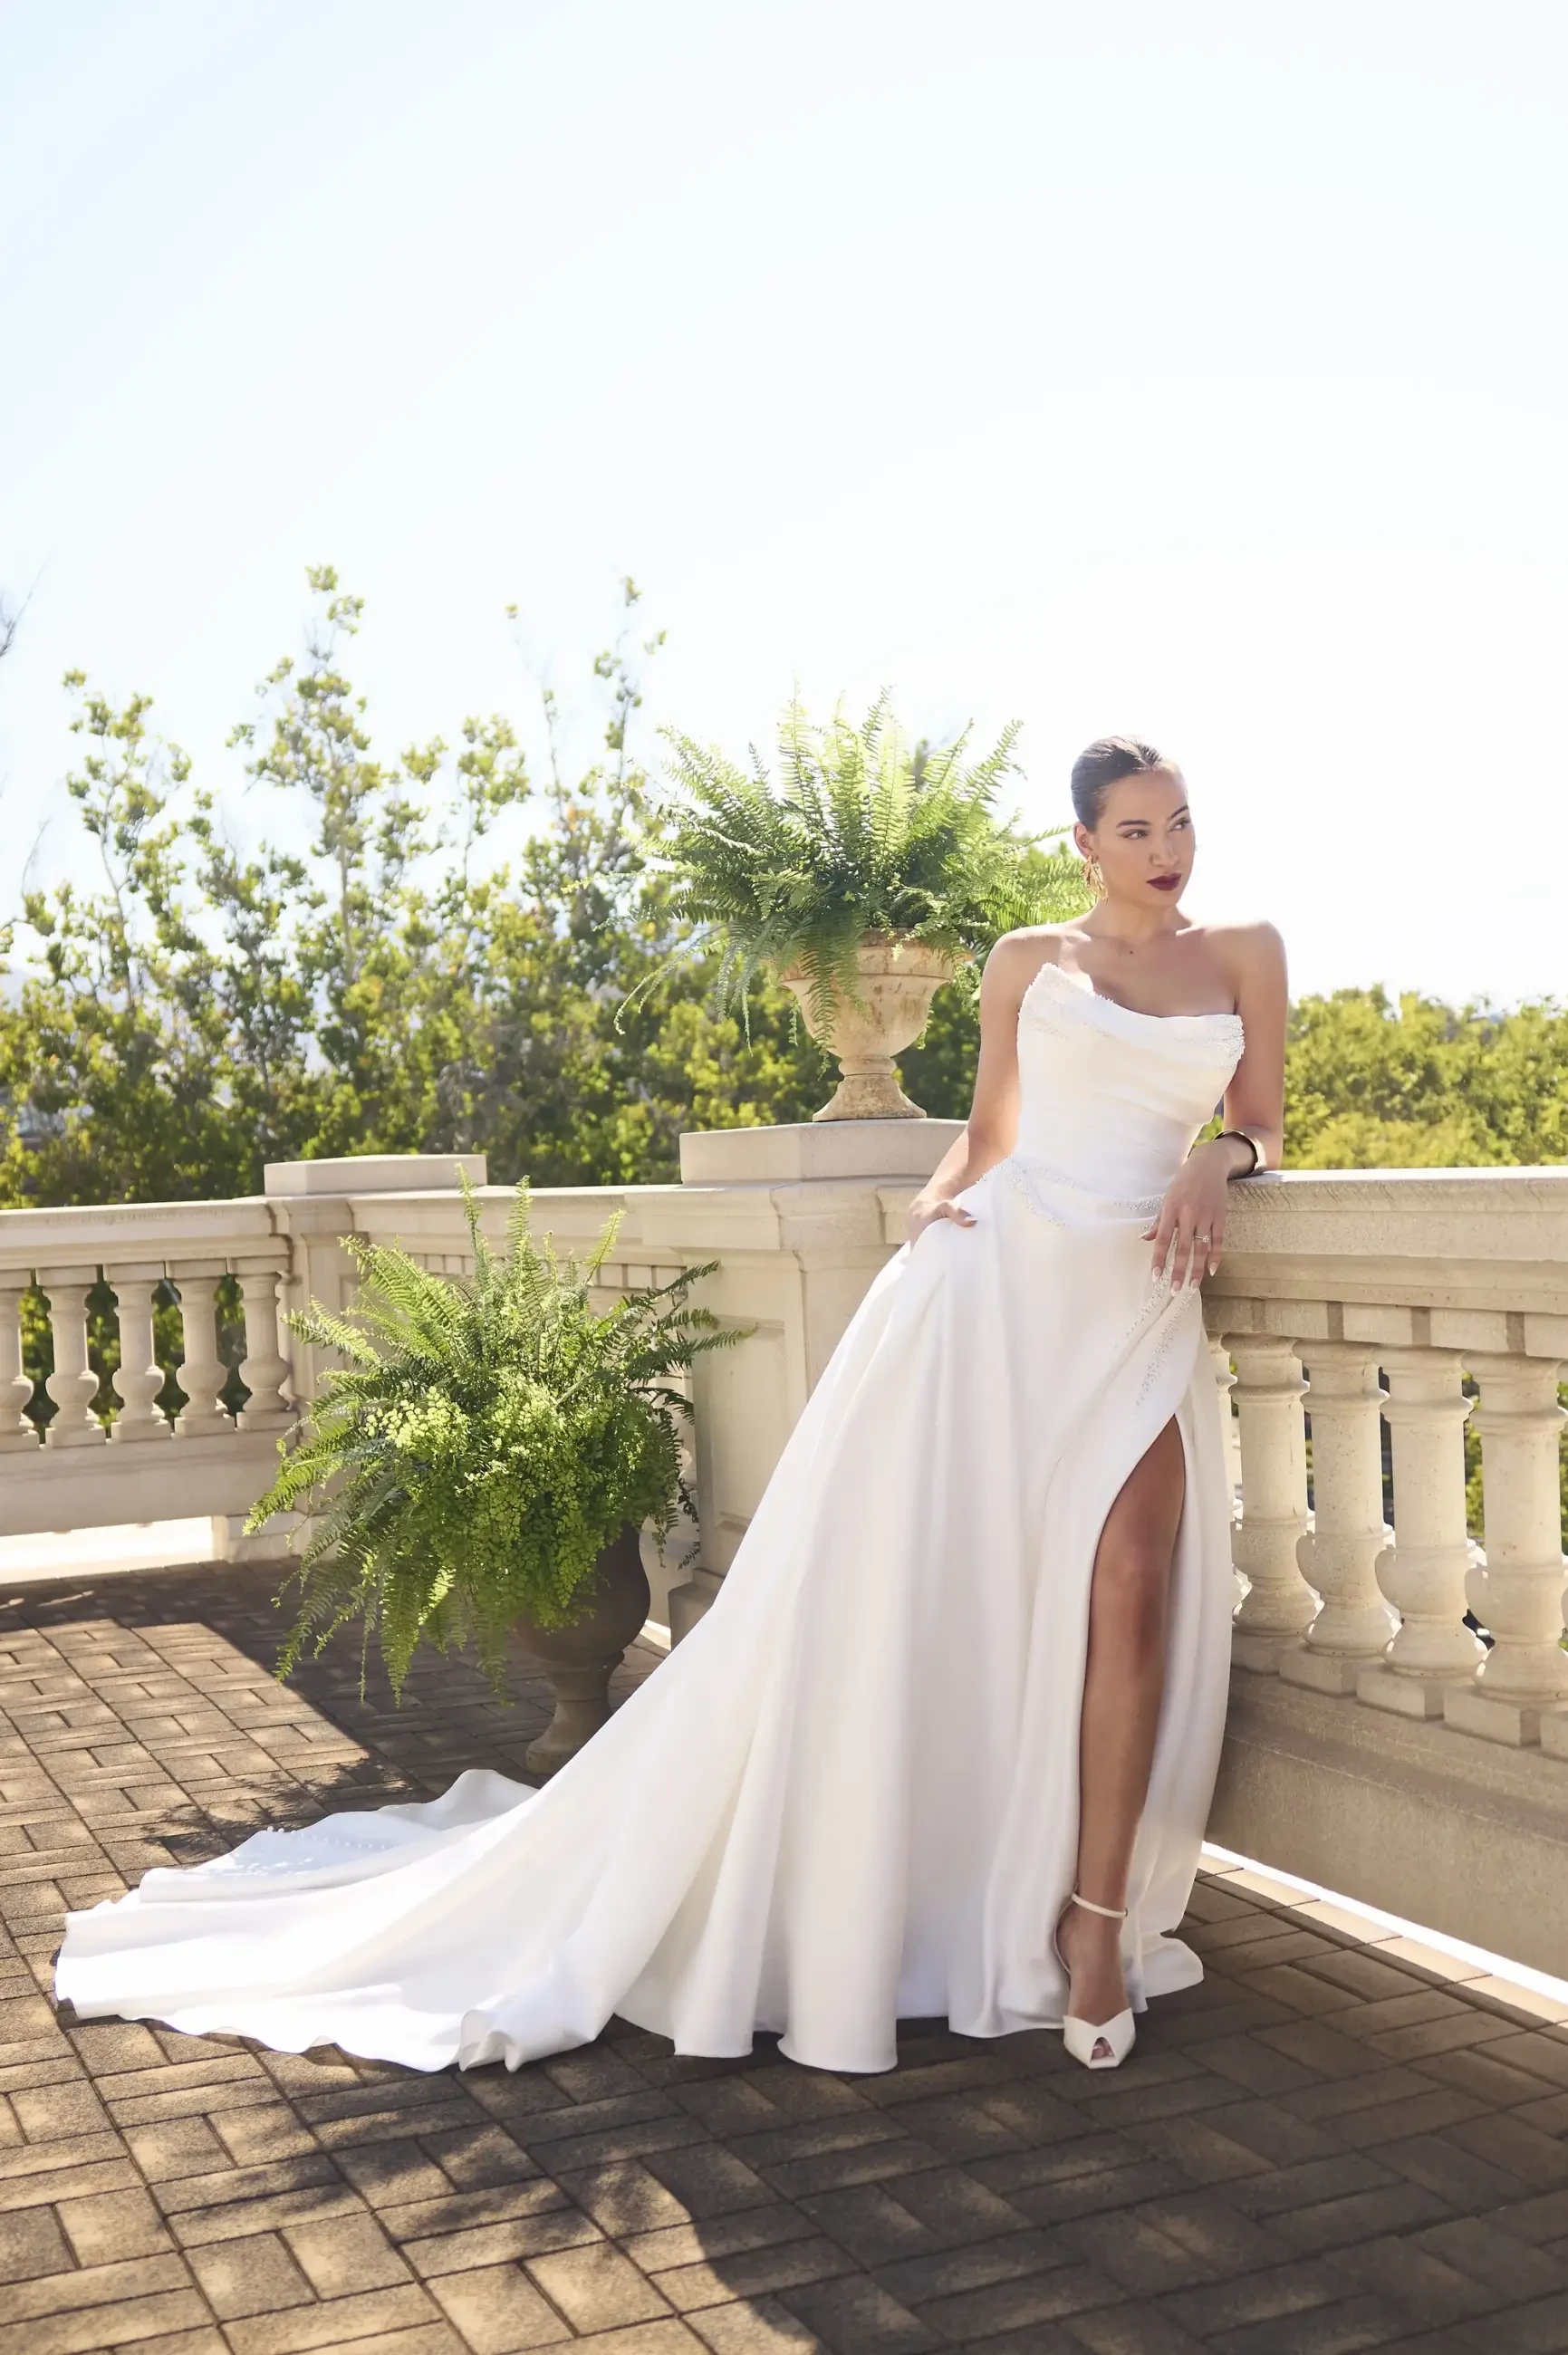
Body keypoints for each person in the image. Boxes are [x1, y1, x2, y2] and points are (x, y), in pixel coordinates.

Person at [54, 735, 1286, 2077]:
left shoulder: (1241, 952)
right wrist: (935, 1210)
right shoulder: (1021, 963)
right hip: (991, 1292)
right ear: (1083, 846)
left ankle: (1092, 1920)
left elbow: (1266, 1120)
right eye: (1134, 830)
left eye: (1177, 824)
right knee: (941, 1595)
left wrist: (1216, 1164)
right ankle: (950, 1876)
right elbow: (989, 1134)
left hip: (1133, 1304)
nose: (1166, 852)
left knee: (1129, 1595)